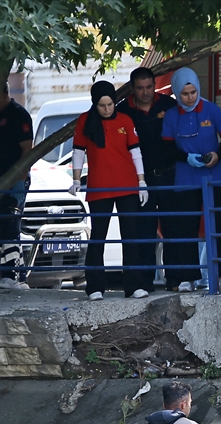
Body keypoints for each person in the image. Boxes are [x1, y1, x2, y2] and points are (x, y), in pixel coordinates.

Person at [70, 81, 149, 301]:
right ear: (95, 104)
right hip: (99, 187)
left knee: (130, 236)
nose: (107, 109)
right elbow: (78, 151)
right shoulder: (85, 121)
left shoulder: (125, 120)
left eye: (110, 104)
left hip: (127, 186)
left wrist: (141, 182)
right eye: (102, 105)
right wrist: (76, 179)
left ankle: (133, 286)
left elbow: (136, 153)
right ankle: (95, 287)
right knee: (98, 237)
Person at [162, 68, 221, 293]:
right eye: (185, 94)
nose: (190, 97)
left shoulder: (211, 109)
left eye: (193, 92)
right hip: (186, 177)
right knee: (186, 228)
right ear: (176, 94)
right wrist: (187, 158)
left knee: (219, 226)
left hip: (213, 176)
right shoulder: (172, 115)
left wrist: (217, 155)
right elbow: (168, 147)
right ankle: (188, 277)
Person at [117, 67, 179, 295]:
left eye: (149, 87)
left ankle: (175, 279)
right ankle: (144, 282)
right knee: (143, 231)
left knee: (173, 227)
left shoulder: (168, 105)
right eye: (140, 88)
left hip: (168, 174)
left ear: (155, 86)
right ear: (132, 89)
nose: (145, 92)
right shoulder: (123, 111)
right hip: (139, 180)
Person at [0, 85, 33, 290]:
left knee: (10, 225)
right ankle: (9, 274)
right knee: (1, 228)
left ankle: (16, 276)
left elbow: (27, 148)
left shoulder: (18, 114)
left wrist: (19, 177)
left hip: (12, 184)